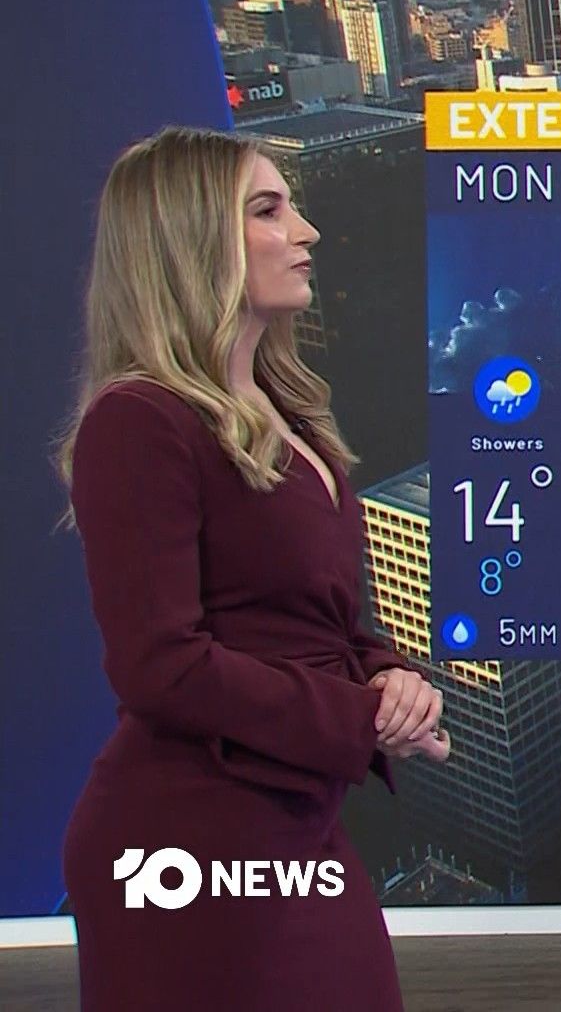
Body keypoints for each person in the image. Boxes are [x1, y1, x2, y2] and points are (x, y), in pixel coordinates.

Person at [53, 126, 451, 1011]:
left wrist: (389, 677)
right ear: (190, 240)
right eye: (268, 211)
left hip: (293, 820)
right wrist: (359, 719)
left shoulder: (287, 413)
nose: (306, 231)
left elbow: (306, 619)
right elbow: (160, 665)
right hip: (189, 838)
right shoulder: (140, 421)